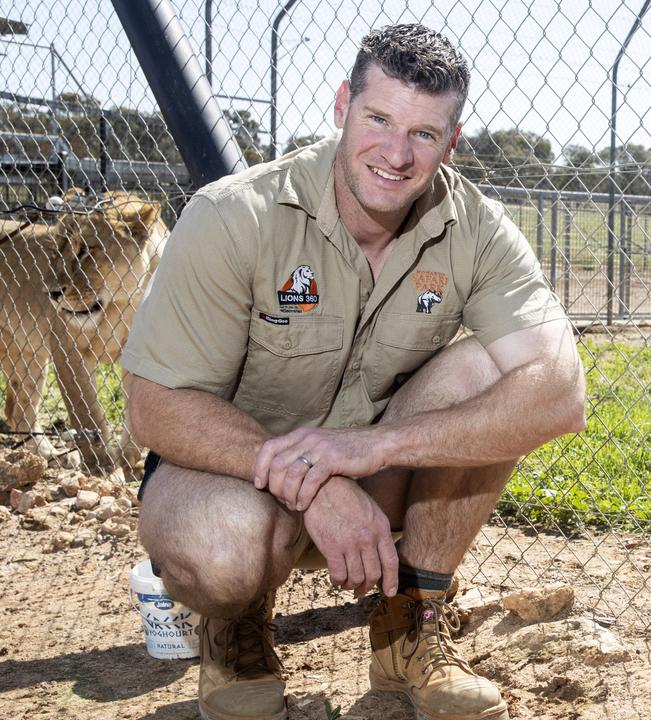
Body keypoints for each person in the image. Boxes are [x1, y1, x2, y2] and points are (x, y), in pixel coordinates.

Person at [122, 24, 585, 720]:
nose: (397, 155)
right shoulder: (234, 214)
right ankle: (237, 630)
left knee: (497, 369)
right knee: (222, 546)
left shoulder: (478, 228)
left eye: (425, 134)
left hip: (380, 483)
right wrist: (313, 484)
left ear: (451, 142)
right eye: (379, 119)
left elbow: (560, 396)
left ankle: (410, 627)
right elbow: (153, 408)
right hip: (234, 481)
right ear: (343, 105)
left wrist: (367, 450)